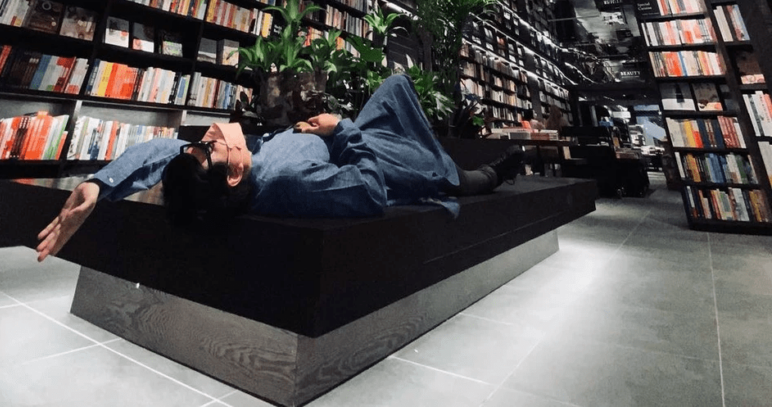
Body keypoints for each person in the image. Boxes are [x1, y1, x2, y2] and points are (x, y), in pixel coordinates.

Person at [36, 75, 524, 262]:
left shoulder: (241, 163)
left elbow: (165, 149)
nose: (207, 136)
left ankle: (485, 169)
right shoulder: (286, 182)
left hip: (337, 137)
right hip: (378, 157)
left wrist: (98, 184)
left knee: (395, 88)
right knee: (460, 177)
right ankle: (494, 173)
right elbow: (370, 192)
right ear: (230, 176)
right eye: (209, 148)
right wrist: (340, 131)